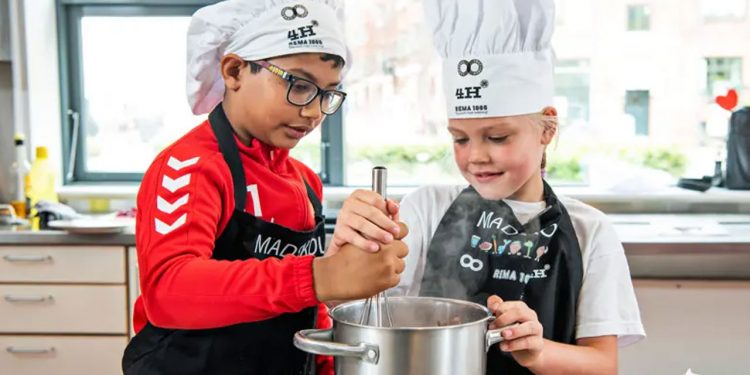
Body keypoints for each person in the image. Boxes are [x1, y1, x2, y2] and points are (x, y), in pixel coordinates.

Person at [122, 1, 406, 374]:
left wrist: (323, 362)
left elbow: (307, 306)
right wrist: (321, 274)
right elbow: (170, 291)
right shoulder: (191, 168)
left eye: (327, 93)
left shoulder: (304, 182)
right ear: (235, 70)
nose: (314, 111)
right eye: (300, 85)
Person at [394, 0, 645, 373]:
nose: (475, 156)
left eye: (497, 137)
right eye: (460, 139)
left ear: (547, 129)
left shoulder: (589, 231)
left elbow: (602, 364)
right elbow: (366, 303)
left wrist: (538, 350)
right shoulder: (425, 208)